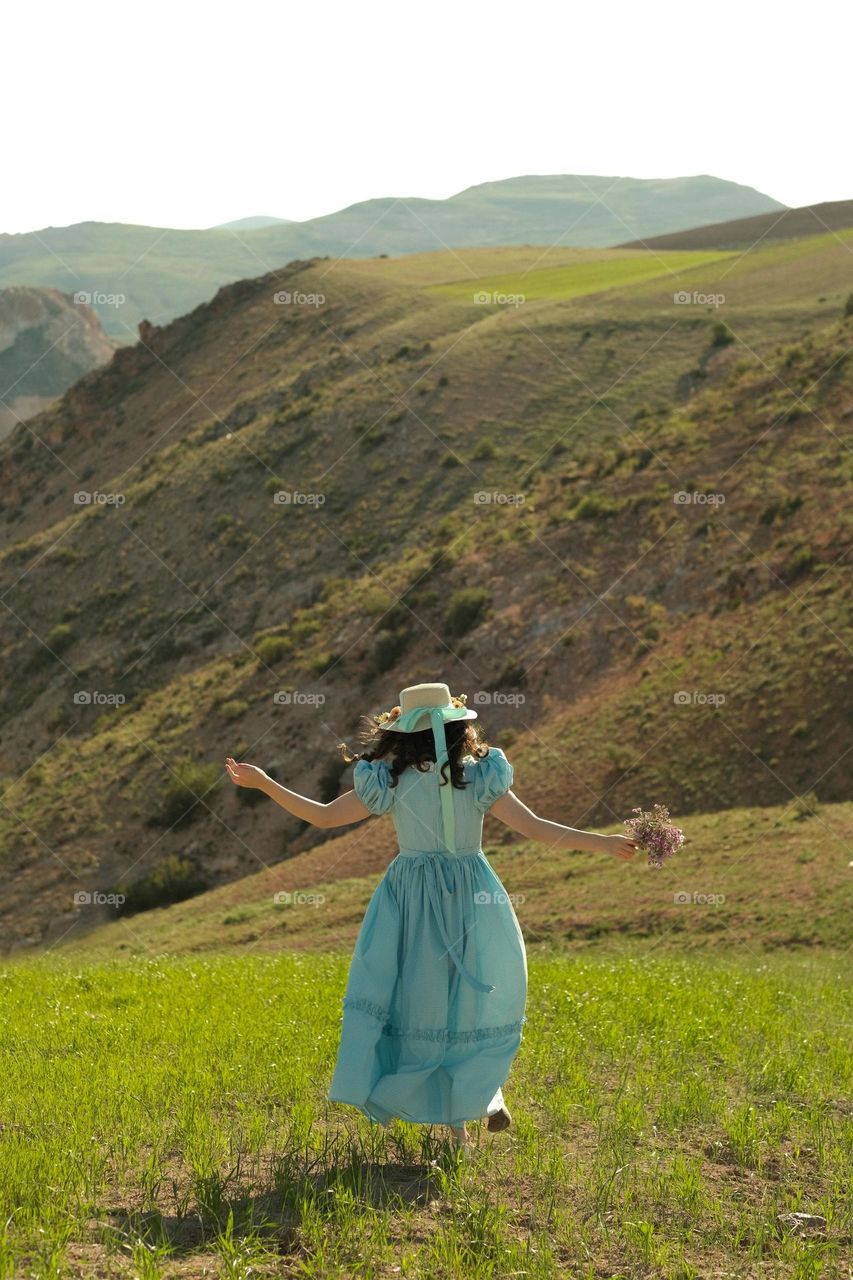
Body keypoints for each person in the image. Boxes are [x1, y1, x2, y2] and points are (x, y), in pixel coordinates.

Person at [225, 681, 637, 1154]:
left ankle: (467, 1112)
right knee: (471, 997)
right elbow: (538, 830)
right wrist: (602, 842)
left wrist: (263, 783)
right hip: (471, 893)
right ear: (457, 726)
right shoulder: (478, 775)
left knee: (420, 1002)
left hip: (411, 897)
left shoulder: (389, 779)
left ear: (401, 732)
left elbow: (320, 816)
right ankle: (477, 1101)